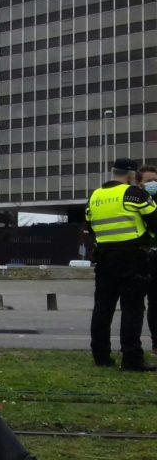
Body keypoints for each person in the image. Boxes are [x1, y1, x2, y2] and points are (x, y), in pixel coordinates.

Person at [86, 158, 157, 371]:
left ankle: (101, 356)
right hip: (132, 258)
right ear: (130, 175)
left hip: (105, 258)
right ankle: (132, 358)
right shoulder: (134, 194)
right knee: (132, 309)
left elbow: (91, 227)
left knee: (102, 308)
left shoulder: (95, 196)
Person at [138, 164, 157, 357]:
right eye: (149, 181)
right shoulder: (138, 202)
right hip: (145, 256)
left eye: (156, 180)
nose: (153, 184)